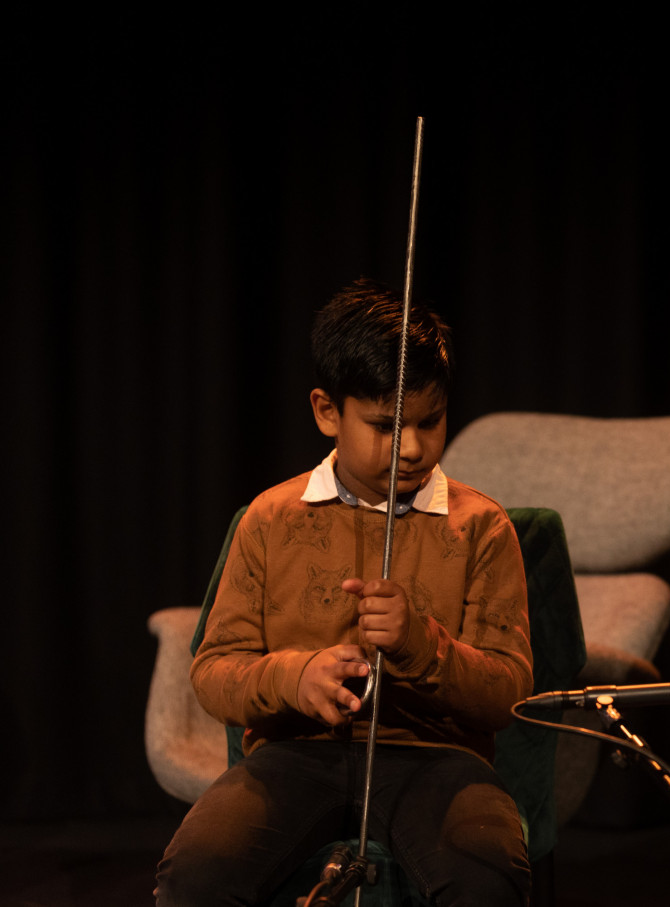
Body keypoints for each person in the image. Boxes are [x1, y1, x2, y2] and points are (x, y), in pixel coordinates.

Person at [156, 278, 534, 906]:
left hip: (435, 759)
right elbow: (214, 673)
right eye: (385, 425)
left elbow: (509, 692)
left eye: (430, 421)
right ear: (327, 411)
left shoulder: (482, 528)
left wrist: (422, 647)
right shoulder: (270, 518)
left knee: (484, 878)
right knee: (195, 876)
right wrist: (295, 676)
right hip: (294, 756)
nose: (412, 447)